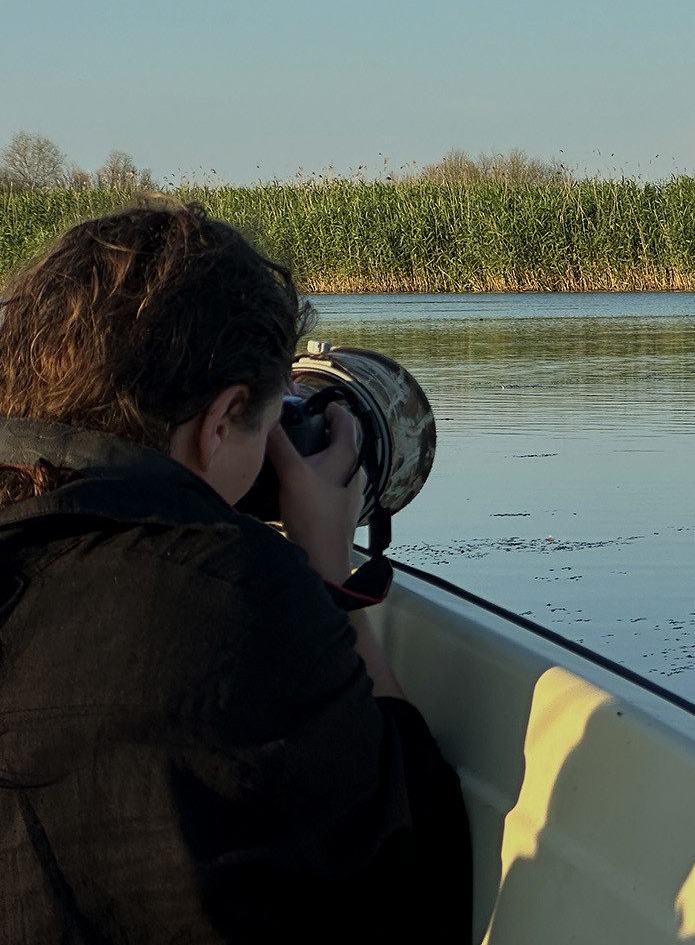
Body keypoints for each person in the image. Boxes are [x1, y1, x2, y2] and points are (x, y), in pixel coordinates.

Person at [0, 202, 470, 942]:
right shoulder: (236, 597)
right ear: (220, 422)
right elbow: (421, 880)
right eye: (266, 426)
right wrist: (323, 565)